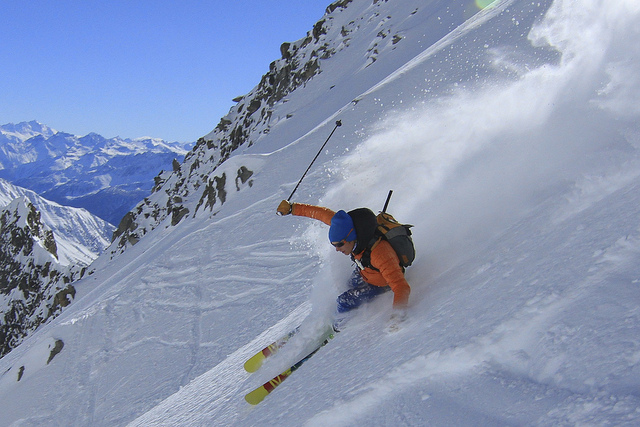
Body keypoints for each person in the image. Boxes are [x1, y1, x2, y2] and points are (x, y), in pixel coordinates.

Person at [277, 200, 410, 327]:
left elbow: (401, 287)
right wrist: (292, 208)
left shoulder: (380, 253)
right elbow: (321, 214)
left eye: (340, 244)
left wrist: (397, 316)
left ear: (351, 238)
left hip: (382, 282)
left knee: (344, 300)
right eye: (334, 245)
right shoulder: (345, 226)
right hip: (366, 271)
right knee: (349, 283)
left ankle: (338, 327)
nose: (337, 249)